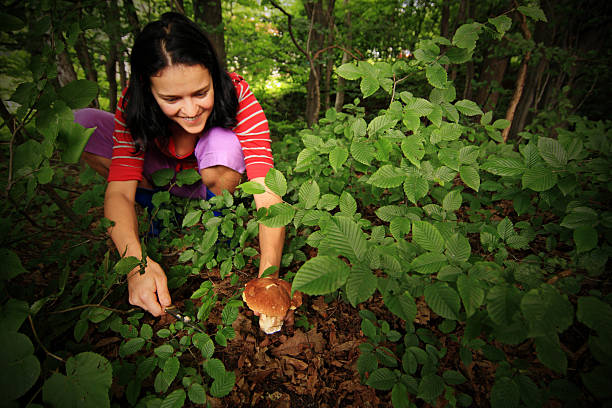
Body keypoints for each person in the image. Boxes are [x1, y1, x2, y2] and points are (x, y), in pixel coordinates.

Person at [75, 12, 285, 318]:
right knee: (82, 123)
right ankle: (156, 214)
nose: (190, 110)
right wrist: (136, 265)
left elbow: (266, 188)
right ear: (148, 89)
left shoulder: (238, 93)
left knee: (224, 145)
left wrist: (269, 279)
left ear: (213, 75)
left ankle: (217, 222)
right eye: (172, 98)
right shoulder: (133, 103)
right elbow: (119, 191)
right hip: (158, 172)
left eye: (201, 93)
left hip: (209, 174)